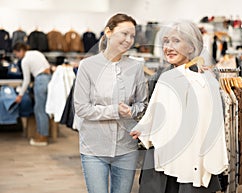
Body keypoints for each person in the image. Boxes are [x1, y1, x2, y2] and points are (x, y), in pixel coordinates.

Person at [130, 21, 227, 193]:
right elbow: (158, 114)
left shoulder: (206, 80)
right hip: (160, 162)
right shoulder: (164, 76)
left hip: (190, 164)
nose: (168, 47)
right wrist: (144, 128)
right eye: (166, 41)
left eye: (176, 41)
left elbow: (209, 127)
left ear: (191, 47)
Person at [74, 13, 147, 193]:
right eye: (124, 34)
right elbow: (82, 108)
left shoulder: (136, 66)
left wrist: (132, 111)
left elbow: (142, 104)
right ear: (108, 32)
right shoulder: (87, 66)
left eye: (132, 36)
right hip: (94, 148)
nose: (129, 40)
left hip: (126, 149)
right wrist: (114, 111)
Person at [13, 43, 51, 146]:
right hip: (49, 79)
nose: (17, 56)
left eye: (16, 54)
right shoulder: (36, 52)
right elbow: (47, 66)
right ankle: (42, 134)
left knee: (39, 109)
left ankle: (43, 137)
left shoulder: (25, 61)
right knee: (44, 109)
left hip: (40, 80)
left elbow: (26, 80)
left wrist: (20, 95)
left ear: (20, 50)